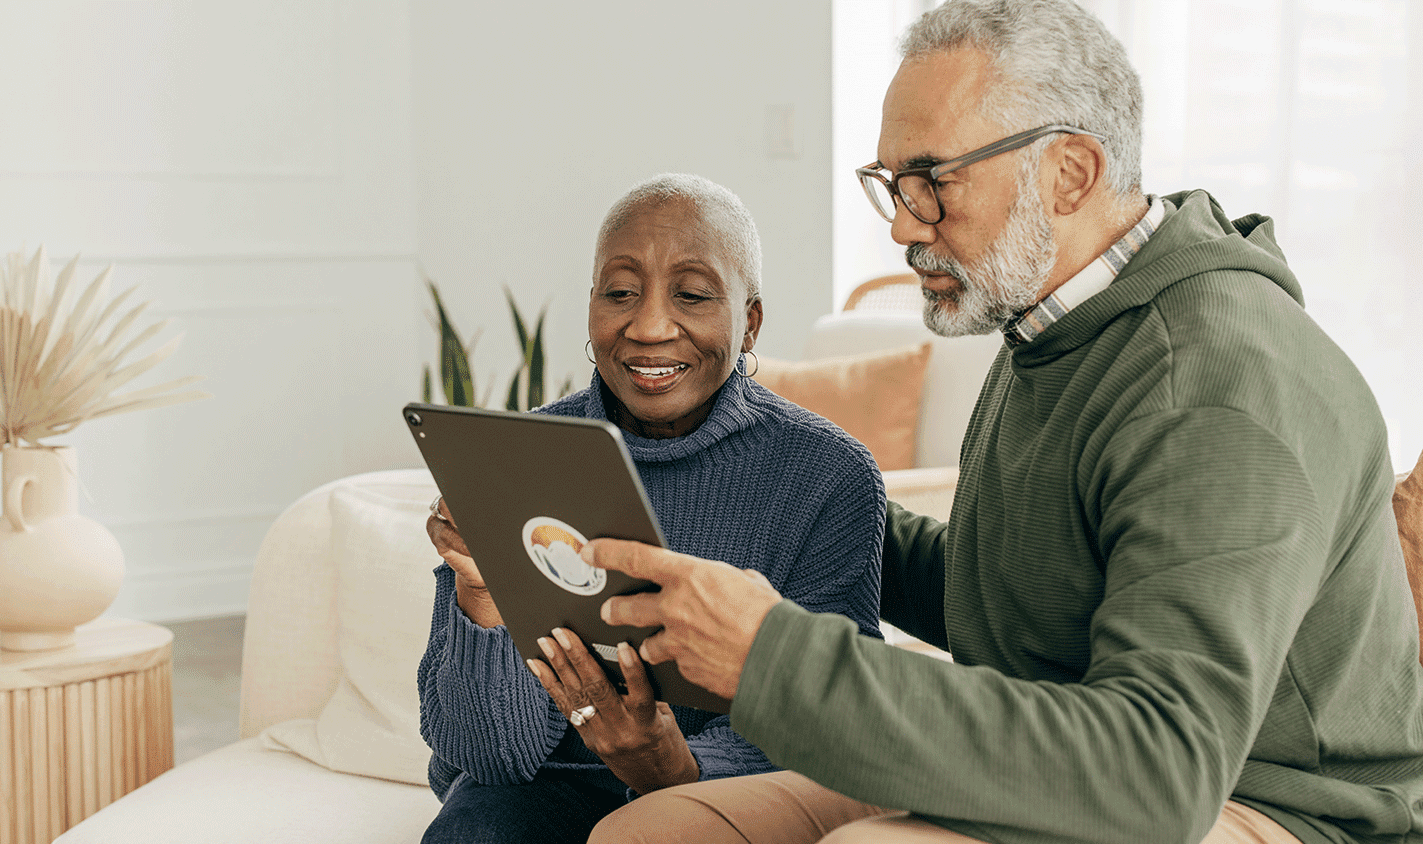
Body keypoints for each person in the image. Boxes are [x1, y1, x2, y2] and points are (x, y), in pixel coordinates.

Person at [578, 2, 1423, 843]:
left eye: (933, 181)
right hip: (1061, 755)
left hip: (1264, 803)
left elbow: (1157, 770)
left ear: (1070, 173)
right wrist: (787, 497)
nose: (906, 225)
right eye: (892, 185)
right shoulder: (1056, 327)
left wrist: (771, 656)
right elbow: (1020, 600)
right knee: (657, 831)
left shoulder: (1213, 387)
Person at [416, 173, 887, 844]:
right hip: (539, 791)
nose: (649, 326)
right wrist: (483, 593)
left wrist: (678, 765)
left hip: (720, 795)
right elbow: (484, 756)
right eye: (620, 293)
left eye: (692, 295)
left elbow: (835, 724)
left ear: (749, 321)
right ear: (591, 308)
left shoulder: (827, 476)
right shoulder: (514, 459)